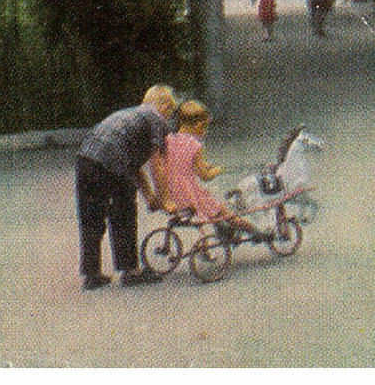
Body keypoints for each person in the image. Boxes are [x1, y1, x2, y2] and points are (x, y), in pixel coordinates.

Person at [75, 84, 177, 290]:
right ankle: (130, 270)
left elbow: (135, 166)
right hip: (113, 162)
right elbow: (156, 163)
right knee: (124, 214)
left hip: (86, 160)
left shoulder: (130, 114)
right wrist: (165, 199)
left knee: (91, 218)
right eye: (170, 112)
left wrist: (150, 197)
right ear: (165, 106)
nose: (169, 118)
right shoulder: (156, 119)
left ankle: (91, 274)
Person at [159, 100, 266, 238]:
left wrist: (204, 166)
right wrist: (217, 170)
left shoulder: (168, 139)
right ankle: (256, 232)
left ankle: (222, 229)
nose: (205, 132)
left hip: (171, 192)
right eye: (205, 127)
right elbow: (205, 176)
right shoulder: (194, 145)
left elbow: (181, 163)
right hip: (190, 194)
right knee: (225, 213)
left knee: (209, 212)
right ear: (198, 126)